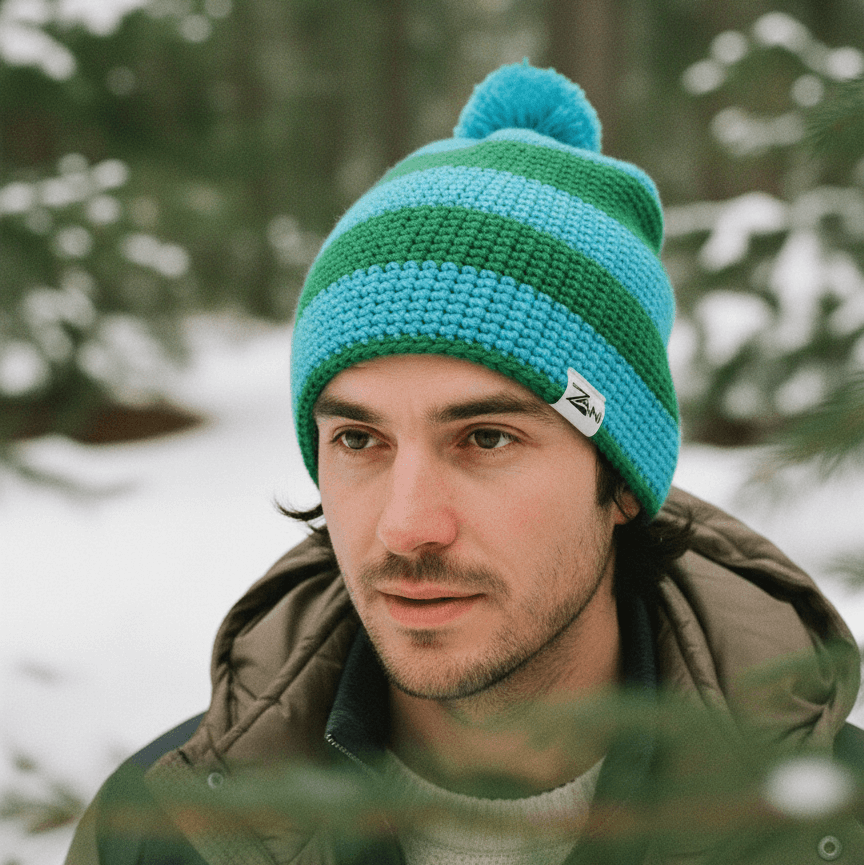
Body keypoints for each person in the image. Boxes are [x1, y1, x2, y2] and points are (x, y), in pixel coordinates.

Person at [66, 62, 864, 865]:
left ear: (621, 478)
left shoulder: (831, 831)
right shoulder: (166, 830)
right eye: (359, 440)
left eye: (485, 438)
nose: (408, 525)